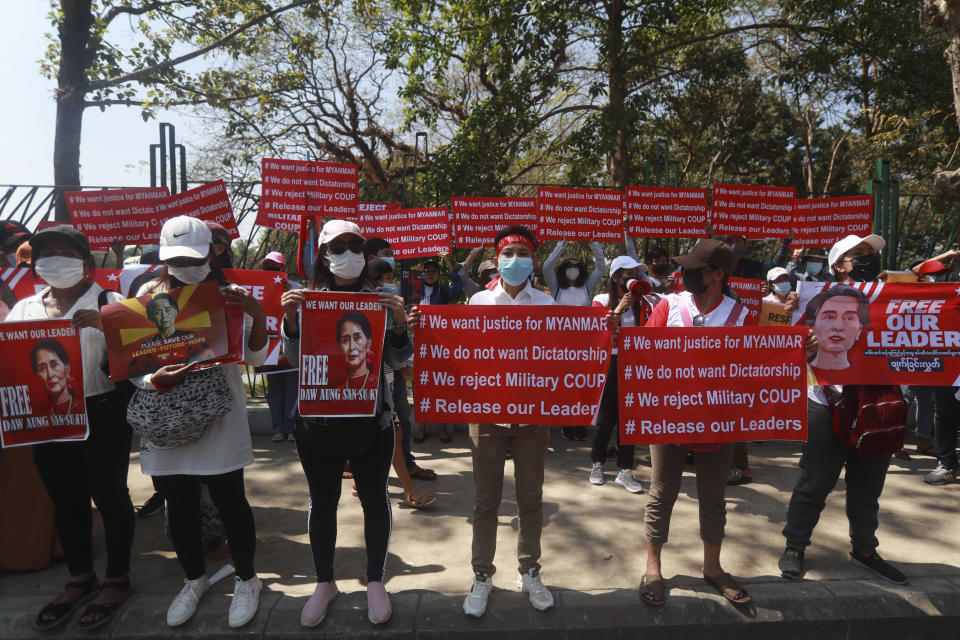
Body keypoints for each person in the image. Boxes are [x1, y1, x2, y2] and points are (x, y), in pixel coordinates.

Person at [132, 216, 269, 628]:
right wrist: (153, 378)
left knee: (231, 502)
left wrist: (256, 313)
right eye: (176, 259)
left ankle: (247, 579)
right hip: (166, 418)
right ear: (163, 256)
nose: (187, 266)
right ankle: (194, 578)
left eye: (195, 257)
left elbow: (257, 359)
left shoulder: (232, 295)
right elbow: (133, 363)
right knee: (179, 504)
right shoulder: (146, 295)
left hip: (220, 420)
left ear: (213, 252)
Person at [281, 219, 413, 627]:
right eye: (339, 247)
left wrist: (400, 324)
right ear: (323, 255)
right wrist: (290, 322)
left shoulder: (383, 300)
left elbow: (398, 361)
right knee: (322, 502)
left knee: (375, 499)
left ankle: (375, 580)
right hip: (317, 426)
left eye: (357, 246)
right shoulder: (307, 301)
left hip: (371, 425)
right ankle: (325, 581)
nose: (350, 254)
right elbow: (292, 359)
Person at [5, 225, 135, 630]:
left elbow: (139, 360)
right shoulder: (24, 309)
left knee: (111, 496)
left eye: (66, 252)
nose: (55, 260)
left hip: (102, 412)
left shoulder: (110, 301)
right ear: (36, 264)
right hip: (48, 420)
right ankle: (80, 577)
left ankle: (116, 578)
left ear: (88, 265)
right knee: (65, 498)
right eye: (46, 253)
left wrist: (107, 327)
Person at [779, 233, 908, 585]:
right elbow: (785, 355)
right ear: (838, 266)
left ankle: (865, 549)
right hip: (827, 405)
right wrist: (797, 333)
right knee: (813, 482)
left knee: (868, 487)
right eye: (858, 255)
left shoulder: (894, 302)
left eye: (869, 254)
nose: (867, 259)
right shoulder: (812, 303)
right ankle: (795, 545)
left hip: (876, 407)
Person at [638, 238, 753, 609]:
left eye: (693, 269)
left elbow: (755, 369)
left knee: (713, 497)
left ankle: (713, 568)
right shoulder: (669, 305)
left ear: (718, 275)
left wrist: (801, 353)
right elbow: (645, 358)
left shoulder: (739, 316)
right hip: (669, 415)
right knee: (662, 493)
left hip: (719, 422)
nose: (683, 273)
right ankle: (652, 568)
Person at [460, 225, 556, 618]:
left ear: (533, 258)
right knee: (486, 502)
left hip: (533, 419)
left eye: (522, 251)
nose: (515, 258)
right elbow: (462, 351)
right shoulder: (479, 302)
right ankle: (482, 574)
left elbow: (560, 357)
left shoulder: (547, 306)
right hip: (487, 418)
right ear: (497, 257)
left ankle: (529, 570)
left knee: (530, 500)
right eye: (509, 251)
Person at [588, 255, 647, 493]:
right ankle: (597, 463)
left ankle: (625, 470)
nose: (634, 279)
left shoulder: (644, 301)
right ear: (616, 277)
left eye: (637, 274)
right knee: (606, 419)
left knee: (629, 419)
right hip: (610, 363)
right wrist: (621, 307)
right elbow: (598, 333)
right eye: (629, 274)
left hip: (634, 364)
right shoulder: (601, 300)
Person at [543, 239, 605, 440]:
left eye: (576, 265)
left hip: (584, 346)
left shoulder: (587, 286)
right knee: (564, 387)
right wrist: (561, 243)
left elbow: (601, 267)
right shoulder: (556, 287)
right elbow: (546, 266)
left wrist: (593, 241)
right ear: (563, 269)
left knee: (581, 386)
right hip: (561, 346)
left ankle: (580, 424)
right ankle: (565, 425)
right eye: (568, 266)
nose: (572, 268)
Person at [415, 252, 463, 444]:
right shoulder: (413, 290)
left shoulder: (443, 291)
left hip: (439, 346)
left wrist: (449, 262)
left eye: (434, 271)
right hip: (418, 345)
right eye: (426, 271)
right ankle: (421, 429)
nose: (430, 274)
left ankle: (443, 430)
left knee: (441, 385)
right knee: (422, 387)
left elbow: (457, 289)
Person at [260, 251, 300, 443]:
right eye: (266, 267)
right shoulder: (258, 290)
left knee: (293, 389)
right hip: (268, 350)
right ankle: (278, 429)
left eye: (274, 267)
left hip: (289, 348)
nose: (270, 271)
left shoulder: (296, 289)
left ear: (283, 268)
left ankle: (292, 429)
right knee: (274, 391)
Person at [804, 286, 870, 372]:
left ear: (859, 330)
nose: (838, 327)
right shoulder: (794, 372)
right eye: (829, 317)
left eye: (849, 318)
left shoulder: (867, 376)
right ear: (810, 326)